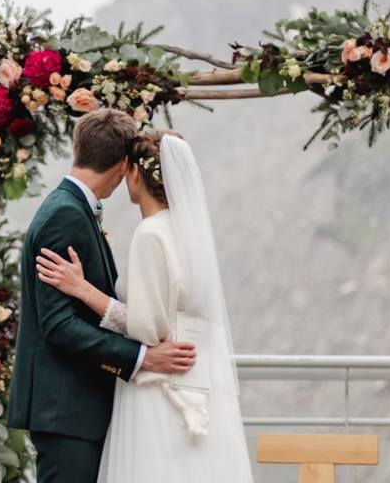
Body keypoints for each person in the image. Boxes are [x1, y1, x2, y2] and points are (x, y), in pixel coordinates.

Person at [35, 128, 253, 481]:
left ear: (135, 172)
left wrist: (84, 290)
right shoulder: (187, 231)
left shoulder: (151, 234)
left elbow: (146, 327)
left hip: (156, 385)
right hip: (197, 382)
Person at [7, 110, 197, 483]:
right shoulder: (65, 216)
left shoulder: (71, 208)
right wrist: (143, 358)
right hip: (67, 409)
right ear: (125, 162)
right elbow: (59, 325)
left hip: (74, 409)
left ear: (78, 148)